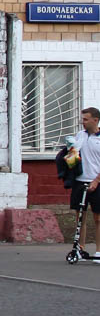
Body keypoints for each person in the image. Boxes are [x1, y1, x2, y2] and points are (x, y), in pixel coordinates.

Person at [67, 106, 100, 257]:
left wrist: (96, 180)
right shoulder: (80, 135)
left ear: (95, 120)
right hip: (80, 181)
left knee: (98, 218)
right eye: (82, 119)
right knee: (80, 216)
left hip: (97, 182)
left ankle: (99, 251)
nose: (83, 122)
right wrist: (70, 153)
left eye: (86, 119)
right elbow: (73, 157)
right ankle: (80, 248)